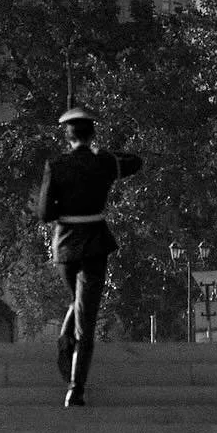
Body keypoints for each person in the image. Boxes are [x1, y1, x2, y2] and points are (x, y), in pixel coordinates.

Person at [36, 104, 143, 407]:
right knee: (87, 315)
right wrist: (105, 154)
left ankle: (65, 342)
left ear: (67, 136)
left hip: (66, 244)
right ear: (92, 133)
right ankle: (76, 386)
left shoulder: (56, 165)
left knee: (81, 304)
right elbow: (136, 161)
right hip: (95, 242)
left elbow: (44, 212)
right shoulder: (104, 163)